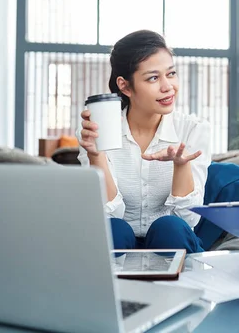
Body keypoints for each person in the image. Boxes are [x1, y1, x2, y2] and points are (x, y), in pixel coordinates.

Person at [77, 30, 211, 253]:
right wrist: (95, 154)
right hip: (119, 244)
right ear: (125, 86)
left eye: (171, 73)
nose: (168, 86)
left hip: (174, 242)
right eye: (153, 78)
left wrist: (181, 165)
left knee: (170, 227)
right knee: (114, 230)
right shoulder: (97, 132)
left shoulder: (193, 130)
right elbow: (107, 215)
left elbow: (188, 220)